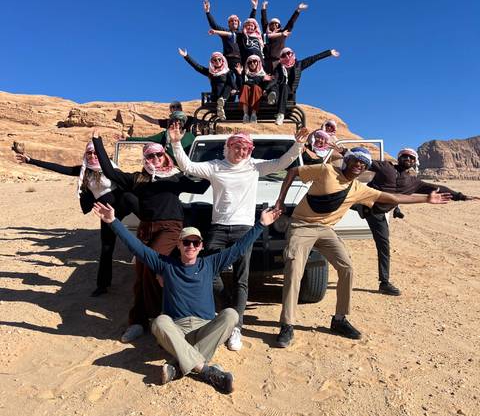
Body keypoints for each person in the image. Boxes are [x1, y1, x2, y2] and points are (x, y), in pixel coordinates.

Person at [93, 201, 281, 393]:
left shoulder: (210, 264)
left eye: (195, 243)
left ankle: (177, 367)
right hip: (177, 330)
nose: (191, 246)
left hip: (205, 328)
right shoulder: (165, 265)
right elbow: (137, 248)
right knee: (159, 322)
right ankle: (205, 371)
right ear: (179, 245)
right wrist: (113, 221)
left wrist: (261, 225)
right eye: (186, 242)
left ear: (201, 246)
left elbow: (238, 249)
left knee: (231, 315)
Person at [273, 146, 453, 347]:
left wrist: (426, 198)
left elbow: (393, 198)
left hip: (326, 230)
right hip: (301, 226)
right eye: (355, 160)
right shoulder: (326, 171)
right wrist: (280, 201)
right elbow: (294, 171)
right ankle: (287, 324)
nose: (359, 164)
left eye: (364, 163)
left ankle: (339, 319)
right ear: (347, 161)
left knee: (347, 268)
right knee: (294, 269)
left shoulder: (360, 189)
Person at [169, 125, 310, 351]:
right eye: (237, 146)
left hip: (244, 229)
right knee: (209, 272)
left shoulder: (254, 167)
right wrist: (176, 142)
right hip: (218, 228)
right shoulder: (216, 167)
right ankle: (229, 308)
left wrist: (299, 144)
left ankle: (237, 326)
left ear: (250, 150)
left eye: (246, 148)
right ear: (228, 147)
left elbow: (283, 162)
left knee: (241, 278)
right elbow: (188, 166)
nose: (241, 151)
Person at [92, 133, 210, 343]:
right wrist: (98, 142)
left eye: (158, 155)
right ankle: (138, 321)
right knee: (141, 274)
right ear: (145, 159)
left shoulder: (176, 176)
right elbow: (109, 171)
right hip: (146, 229)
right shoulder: (138, 179)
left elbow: (201, 187)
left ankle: (159, 316)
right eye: (150, 156)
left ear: (165, 156)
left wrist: (215, 169)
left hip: (171, 228)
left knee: (151, 264)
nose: (155, 159)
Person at [14, 141, 139, 297]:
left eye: (95, 153)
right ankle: (103, 285)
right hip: (106, 212)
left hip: (121, 205)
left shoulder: (110, 169)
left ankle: (152, 222)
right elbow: (60, 168)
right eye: (89, 154)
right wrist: (31, 160)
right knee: (106, 247)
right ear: (85, 155)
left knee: (130, 198)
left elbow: (131, 183)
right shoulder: (84, 171)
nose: (93, 156)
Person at [355, 147, 479, 296]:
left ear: (415, 162)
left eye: (412, 158)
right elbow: (360, 160)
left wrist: (461, 196)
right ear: (399, 158)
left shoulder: (413, 182)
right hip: (360, 201)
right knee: (335, 199)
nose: (408, 159)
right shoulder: (385, 167)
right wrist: (342, 151)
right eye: (405, 156)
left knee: (384, 246)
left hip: (377, 214)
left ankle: (384, 283)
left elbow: (437, 188)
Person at [269, 47, 340, 125]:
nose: (287, 56)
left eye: (288, 53)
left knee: (285, 86)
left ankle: (280, 114)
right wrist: (266, 89)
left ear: (292, 54)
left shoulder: (299, 65)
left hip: (290, 93)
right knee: (277, 83)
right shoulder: (279, 68)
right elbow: (274, 79)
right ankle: (273, 96)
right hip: (279, 91)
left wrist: (329, 53)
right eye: (283, 55)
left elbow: (313, 58)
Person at [178, 49, 242, 120]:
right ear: (212, 62)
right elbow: (197, 67)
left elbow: (234, 86)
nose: (217, 61)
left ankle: (222, 101)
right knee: (222, 89)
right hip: (216, 97)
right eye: (215, 60)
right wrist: (186, 56)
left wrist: (235, 87)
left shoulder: (228, 72)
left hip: (228, 98)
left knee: (229, 85)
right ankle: (220, 106)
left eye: (219, 59)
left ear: (222, 60)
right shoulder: (211, 73)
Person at [208, 18, 290, 67]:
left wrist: (281, 34)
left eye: (252, 25)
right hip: (247, 61)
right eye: (248, 25)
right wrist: (216, 32)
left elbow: (270, 36)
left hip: (259, 61)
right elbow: (229, 34)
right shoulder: (241, 36)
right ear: (245, 27)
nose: (250, 27)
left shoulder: (259, 36)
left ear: (255, 27)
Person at [203, 0, 258, 69]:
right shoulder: (225, 32)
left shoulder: (242, 33)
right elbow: (214, 26)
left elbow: (251, 22)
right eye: (231, 21)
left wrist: (254, 8)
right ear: (228, 24)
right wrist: (207, 12)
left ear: (238, 23)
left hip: (241, 60)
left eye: (235, 21)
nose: (233, 22)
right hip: (228, 60)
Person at [260, 1, 308, 73]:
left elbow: (291, 23)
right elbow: (264, 21)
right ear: (269, 25)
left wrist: (298, 10)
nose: (274, 25)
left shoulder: (283, 33)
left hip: (277, 61)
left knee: (277, 80)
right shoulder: (266, 34)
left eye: (276, 24)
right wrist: (263, 7)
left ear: (279, 26)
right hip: (265, 61)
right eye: (272, 24)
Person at [127, 110, 195, 159]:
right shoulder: (166, 134)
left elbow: (146, 139)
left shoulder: (190, 137)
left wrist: (127, 139)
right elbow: (151, 121)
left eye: (178, 122)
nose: (176, 124)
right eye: (175, 121)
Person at [239, 55, 273, 123]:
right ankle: (245, 115)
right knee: (245, 87)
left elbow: (265, 87)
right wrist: (239, 75)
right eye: (250, 62)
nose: (252, 64)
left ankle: (253, 115)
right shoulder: (245, 74)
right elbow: (240, 85)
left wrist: (256, 80)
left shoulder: (264, 74)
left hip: (258, 97)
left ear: (258, 63)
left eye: (254, 61)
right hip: (247, 96)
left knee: (256, 87)